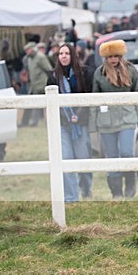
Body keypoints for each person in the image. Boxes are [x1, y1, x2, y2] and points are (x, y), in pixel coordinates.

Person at [90, 39, 138, 199]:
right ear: (105, 58)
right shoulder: (99, 73)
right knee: (112, 156)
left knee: (127, 152)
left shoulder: (131, 70)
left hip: (127, 118)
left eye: (116, 56)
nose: (113, 59)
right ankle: (116, 192)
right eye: (110, 57)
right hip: (106, 121)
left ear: (121, 56)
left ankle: (130, 184)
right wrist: (92, 125)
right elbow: (94, 99)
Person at [47, 43, 94, 202]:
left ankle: (86, 190)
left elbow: (89, 96)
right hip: (63, 123)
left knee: (83, 158)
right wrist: (67, 116)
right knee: (65, 159)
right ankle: (71, 197)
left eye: (67, 53)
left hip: (80, 123)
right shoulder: (53, 76)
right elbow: (50, 102)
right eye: (61, 53)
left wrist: (77, 116)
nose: (64, 56)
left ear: (73, 55)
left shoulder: (85, 73)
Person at [27, 41, 53, 127]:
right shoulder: (29, 59)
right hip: (35, 86)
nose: (27, 52)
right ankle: (34, 122)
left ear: (32, 49)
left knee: (46, 105)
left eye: (28, 50)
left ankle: (49, 122)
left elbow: (49, 69)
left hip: (42, 85)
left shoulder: (41, 57)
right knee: (36, 105)